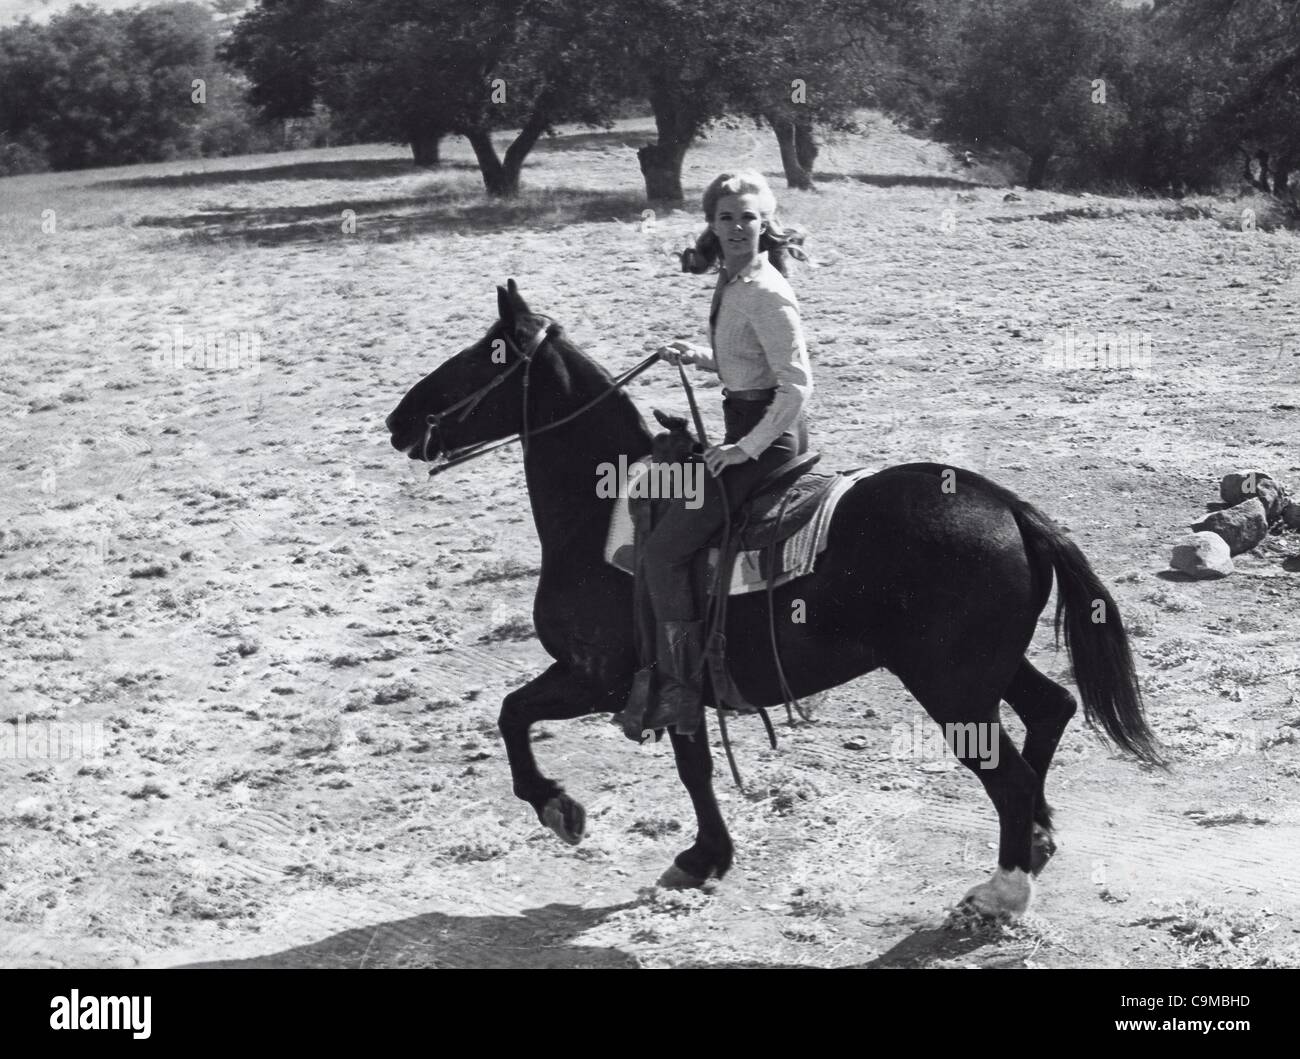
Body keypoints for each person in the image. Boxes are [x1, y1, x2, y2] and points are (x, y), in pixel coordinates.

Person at [614, 170, 814, 741]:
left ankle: (678, 687)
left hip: (768, 439)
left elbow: (797, 386)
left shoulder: (765, 291)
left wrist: (742, 448)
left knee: (663, 553)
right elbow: (744, 360)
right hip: (749, 424)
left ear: (765, 223)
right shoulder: (733, 280)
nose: (736, 227)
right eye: (725, 217)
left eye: (748, 217)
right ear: (711, 223)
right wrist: (698, 356)